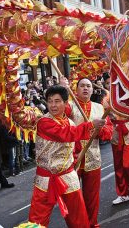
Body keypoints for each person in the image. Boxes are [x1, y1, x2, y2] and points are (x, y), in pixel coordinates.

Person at [28, 85, 105, 228]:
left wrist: (75, 159)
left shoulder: (70, 122)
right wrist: (90, 125)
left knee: (78, 217)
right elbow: (65, 134)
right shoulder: (44, 122)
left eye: (57, 101)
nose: (53, 105)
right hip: (45, 179)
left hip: (68, 176)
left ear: (65, 103)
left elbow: (75, 147)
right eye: (50, 101)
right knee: (37, 221)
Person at [63, 77, 113, 227]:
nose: (85, 88)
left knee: (92, 197)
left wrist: (100, 130)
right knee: (72, 198)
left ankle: (92, 224)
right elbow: (59, 115)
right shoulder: (70, 105)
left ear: (92, 90)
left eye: (88, 86)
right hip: (72, 160)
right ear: (76, 89)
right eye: (82, 86)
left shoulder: (99, 108)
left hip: (93, 159)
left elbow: (109, 132)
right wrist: (64, 89)